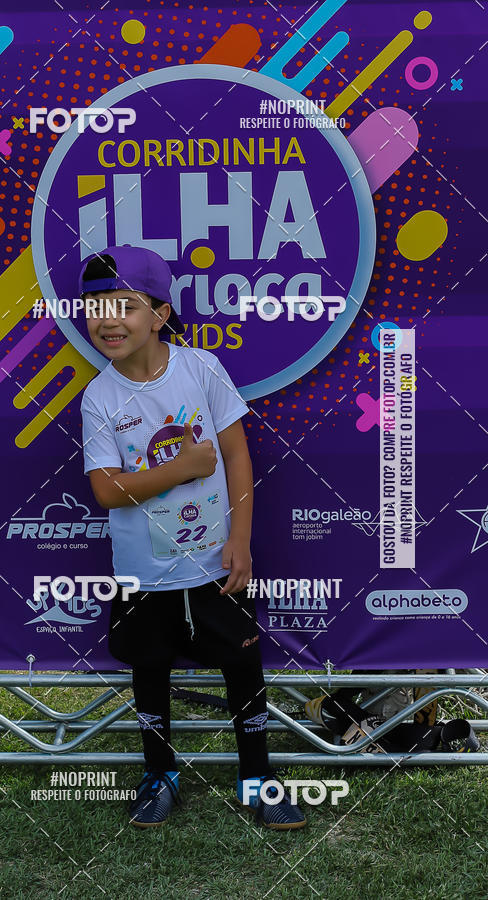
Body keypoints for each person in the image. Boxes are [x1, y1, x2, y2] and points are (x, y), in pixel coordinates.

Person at [79, 245, 306, 831]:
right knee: (148, 669)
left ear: (159, 315)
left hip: (214, 563)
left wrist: (241, 540)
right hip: (141, 572)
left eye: (124, 305)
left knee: (243, 665)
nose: (107, 320)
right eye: (95, 306)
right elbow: (106, 490)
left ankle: (257, 778)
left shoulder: (201, 368)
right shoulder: (99, 397)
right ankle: (159, 776)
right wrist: (180, 468)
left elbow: (236, 456)